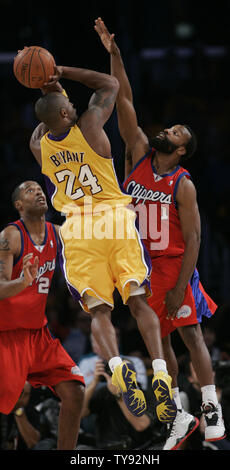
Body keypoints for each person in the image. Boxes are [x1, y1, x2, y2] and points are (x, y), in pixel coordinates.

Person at [94, 17, 226, 449]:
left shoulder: (183, 183)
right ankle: (179, 414)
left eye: (175, 133)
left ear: (182, 148)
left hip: (173, 264)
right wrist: (115, 56)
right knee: (161, 343)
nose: (166, 131)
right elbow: (125, 97)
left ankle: (211, 408)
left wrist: (184, 282)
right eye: (168, 128)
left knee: (190, 334)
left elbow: (196, 239)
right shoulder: (136, 153)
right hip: (141, 265)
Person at [29, 56, 177, 423]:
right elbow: (108, 85)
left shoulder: (38, 143)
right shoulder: (91, 126)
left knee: (99, 310)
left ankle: (114, 365)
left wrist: (47, 83)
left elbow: (51, 112)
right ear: (66, 114)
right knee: (139, 301)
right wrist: (61, 72)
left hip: (78, 230)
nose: (76, 106)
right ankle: (159, 371)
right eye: (70, 107)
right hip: (113, 219)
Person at [0, 180, 85, 450]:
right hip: (6, 335)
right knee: (8, 404)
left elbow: (92, 241)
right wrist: (22, 283)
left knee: (74, 392)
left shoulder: (58, 233)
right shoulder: (9, 236)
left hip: (38, 335)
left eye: (39, 188)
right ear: (19, 205)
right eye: (28, 190)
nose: (37, 191)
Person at [78, 332, 158, 450]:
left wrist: (120, 396)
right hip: (106, 447)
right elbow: (81, 413)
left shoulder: (145, 394)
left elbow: (141, 425)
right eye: (118, 375)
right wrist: (95, 382)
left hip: (138, 448)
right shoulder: (104, 392)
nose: (121, 379)